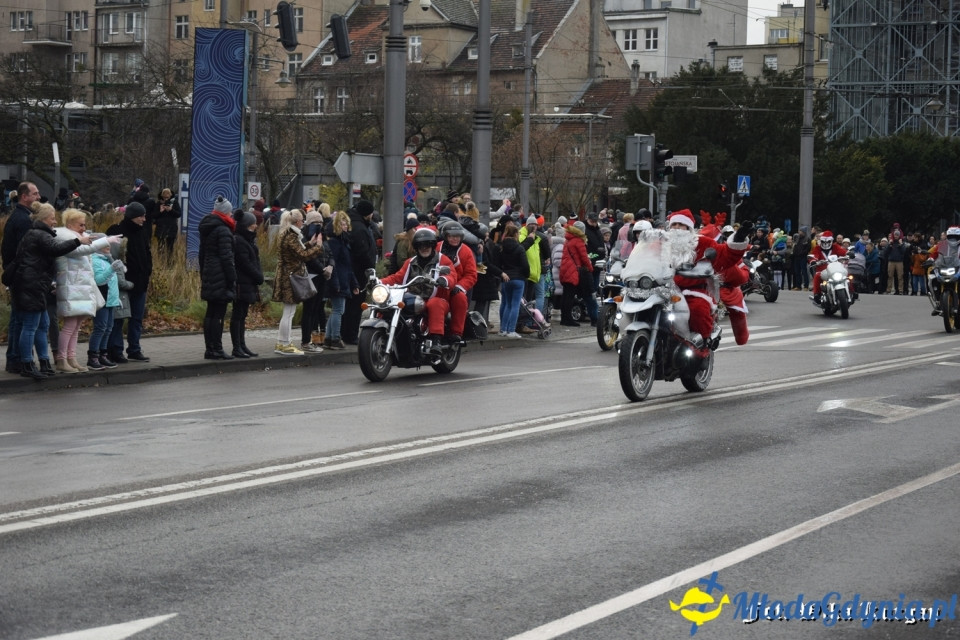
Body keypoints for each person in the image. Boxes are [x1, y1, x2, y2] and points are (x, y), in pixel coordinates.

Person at [8, 202, 92, 379]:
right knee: (30, 326)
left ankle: (44, 361)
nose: (55, 222)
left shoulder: (36, 234)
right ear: (44, 219)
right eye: (53, 218)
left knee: (43, 325)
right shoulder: (39, 235)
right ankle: (27, 364)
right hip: (31, 285)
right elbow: (56, 249)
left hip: (36, 285)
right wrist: (78, 241)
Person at [665, 210, 750, 347]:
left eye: (681, 225)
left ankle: (701, 348)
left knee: (698, 310)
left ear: (689, 228)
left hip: (694, 290)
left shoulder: (702, 242)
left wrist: (738, 239)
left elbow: (724, 255)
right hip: (664, 290)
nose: (677, 228)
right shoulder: (661, 242)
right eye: (674, 224)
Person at [53, 208, 119, 373]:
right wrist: (105, 240)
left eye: (84, 224)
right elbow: (80, 250)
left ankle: (72, 357)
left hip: (79, 287)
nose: (84, 228)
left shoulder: (75, 237)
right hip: (72, 286)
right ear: (70, 224)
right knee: (70, 326)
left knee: (76, 326)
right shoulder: (66, 238)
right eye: (80, 225)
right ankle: (62, 359)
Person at [380, 228, 458, 352]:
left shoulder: (442, 260)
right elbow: (398, 277)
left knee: (435, 303)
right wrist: (380, 282)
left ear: (433, 245)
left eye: (427, 244)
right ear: (416, 247)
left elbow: (452, 275)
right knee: (389, 304)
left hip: (436, 297)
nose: (424, 248)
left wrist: (445, 280)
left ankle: (436, 341)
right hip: (413, 298)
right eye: (420, 245)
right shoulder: (410, 262)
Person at [272, 209, 324, 355]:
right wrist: (318, 246)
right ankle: (284, 343)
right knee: (289, 312)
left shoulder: (288, 234)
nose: (303, 223)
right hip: (290, 277)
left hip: (287, 275)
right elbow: (303, 256)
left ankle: (283, 343)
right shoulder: (291, 237)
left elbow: (297, 251)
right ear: (297, 222)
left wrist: (309, 243)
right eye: (302, 220)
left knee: (288, 312)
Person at [106, 201, 153, 363]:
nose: (144, 219)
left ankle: (134, 349)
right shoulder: (116, 231)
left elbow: (147, 254)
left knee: (137, 318)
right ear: (133, 216)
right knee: (119, 318)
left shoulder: (142, 232)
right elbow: (110, 256)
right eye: (141, 216)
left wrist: (147, 272)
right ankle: (115, 350)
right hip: (122, 283)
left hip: (140, 282)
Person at [2, 182, 42, 374]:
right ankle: (18, 359)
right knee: (22, 321)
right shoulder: (24, 220)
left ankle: (14, 358)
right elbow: (26, 250)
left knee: (18, 319)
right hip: (22, 275)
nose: (39, 197)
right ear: (24, 196)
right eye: (35, 194)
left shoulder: (18, 217)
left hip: (16, 273)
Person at [198, 197, 238, 360]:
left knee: (210, 313)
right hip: (220, 274)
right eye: (230, 211)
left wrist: (204, 273)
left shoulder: (208, 227)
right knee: (219, 314)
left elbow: (202, 254)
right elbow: (227, 258)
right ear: (226, 212)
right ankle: (218, 349)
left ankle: (210, 349)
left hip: (209, 272)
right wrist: (232, 278)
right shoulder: (223, 230)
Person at [341, 199, 378, 345]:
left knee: (350, 305)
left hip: (353, 271)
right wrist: (370, 266)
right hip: (358, 272)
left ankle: (346, 333)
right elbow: (361, 252)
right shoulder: (360, 228)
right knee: (355, 305)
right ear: (367, 214)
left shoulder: (355, 223)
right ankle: (350, 335)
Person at [229, 209, 264, 358]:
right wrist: (258, 276)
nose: (255, 226)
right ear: (247, 226)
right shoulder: (240, 241)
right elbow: (245, 263)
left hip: (247, 283)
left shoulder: (247, 240)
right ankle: (237, 347)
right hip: (241, 283)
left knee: (242, 315)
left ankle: (242, 345)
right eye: (253, 224)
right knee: (238, 315)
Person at [323, 210, 359, 350]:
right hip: (339, 281)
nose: (345, 227)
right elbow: (336, 265)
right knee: (338, 310)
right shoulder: (338, 243)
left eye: (346, 224)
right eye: (343, 224)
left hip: (341, 280)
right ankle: (335, 338)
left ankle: (329, 337)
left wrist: (353, 283)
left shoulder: (340, 242)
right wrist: (337, 283)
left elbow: (345, 266)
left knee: (336, 310)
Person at [437, 221, 477, 342]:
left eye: (457, 236)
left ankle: (456, 332)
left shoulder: (466, 251)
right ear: (445, 236)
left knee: (459, 300)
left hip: (456, 287)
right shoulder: (436, 247)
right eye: (451, 236)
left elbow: (471, 274)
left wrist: (459, 287)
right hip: (436, 285)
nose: (454, 239)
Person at [89, 236, 125, 370]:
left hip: (110, 300)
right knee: (100, 328)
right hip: (101, 300)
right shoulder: (95, 261)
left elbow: (112, 283)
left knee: (108, 328)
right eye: (105, 244)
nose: (108, 246)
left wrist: (116, 299)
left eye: (108, 244)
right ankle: (93, 356)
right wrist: (112, 269)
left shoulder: (106, 259)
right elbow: (99, 281)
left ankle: (103, 355)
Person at [299, 210, 328, 352]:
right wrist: (322, 269)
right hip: (311, 276)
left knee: (317, 309)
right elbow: (308, 257)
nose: (319, 226)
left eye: (321, 223)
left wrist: (330, 266)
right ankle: (306, 340)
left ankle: (313, 339)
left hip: (322, 277)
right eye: (315, 223)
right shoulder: (305, 238)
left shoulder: (324, 236)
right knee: (309, 310)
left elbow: (328, 252)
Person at [559, 220, 592, 327]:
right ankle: (568, 319)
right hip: (573, 270)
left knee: (566, 295)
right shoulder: (578, 241)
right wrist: (590, 268)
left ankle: (564, 318)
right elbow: (584, 258)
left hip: (565, 268)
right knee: (570, 296)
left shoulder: (568, 240)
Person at [807, 230, 848, 305]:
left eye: (828, 242)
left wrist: (848, 253)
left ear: (831, 241)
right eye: (824, 242)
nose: (826, 244)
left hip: (836, 269)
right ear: (821, 241)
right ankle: (817, 295)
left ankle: (851, 291)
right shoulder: (817, 248)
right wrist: (813, 260)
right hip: (823, 270)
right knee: (816, 276)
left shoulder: (835, 247)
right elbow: (814, 255)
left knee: (846, 274)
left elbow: (842, 252)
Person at [154, 188, 181, 255]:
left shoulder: (174, 203)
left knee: (170, 248)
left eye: (167, 197)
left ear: (170, 196)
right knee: (160, 248)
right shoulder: (159, 203)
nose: (166, 199)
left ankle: (170, 264)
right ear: (162, 196)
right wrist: (160, 211)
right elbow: (154, 215)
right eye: (164, 197)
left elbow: (179, 214)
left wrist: (171, 210)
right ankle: (161, 263)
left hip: (171, 228)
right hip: (161, 228)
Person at [884, 227, 907, 294]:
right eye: (895, 235)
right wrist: (889, 244)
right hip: (891, 261)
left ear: (899, 235)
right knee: (890, 276)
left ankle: (900, 290)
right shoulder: (891, 242)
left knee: (900, 276)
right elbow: (886, 252)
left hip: (899, 261)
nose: (896, 236)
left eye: (897, 235)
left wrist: (901, 244)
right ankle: (888, 289)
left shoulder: (901, 242)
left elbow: (904, 251)